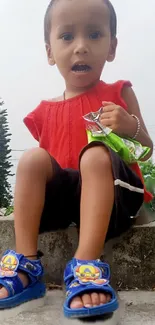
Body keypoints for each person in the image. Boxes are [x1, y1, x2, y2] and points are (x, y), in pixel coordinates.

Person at [0, 0, 153, 319]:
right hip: (70, 202)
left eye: (94, 34)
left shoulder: (119, 92)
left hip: (115, 196)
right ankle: (27, 263)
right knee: (31, 159)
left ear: (111, 47)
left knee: (95, 154)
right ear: (49, 51)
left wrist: (130, 126)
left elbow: (146, 147)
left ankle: (87, 262)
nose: (81, 47)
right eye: (67, 36)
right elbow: (48, 170)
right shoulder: (43, 112)